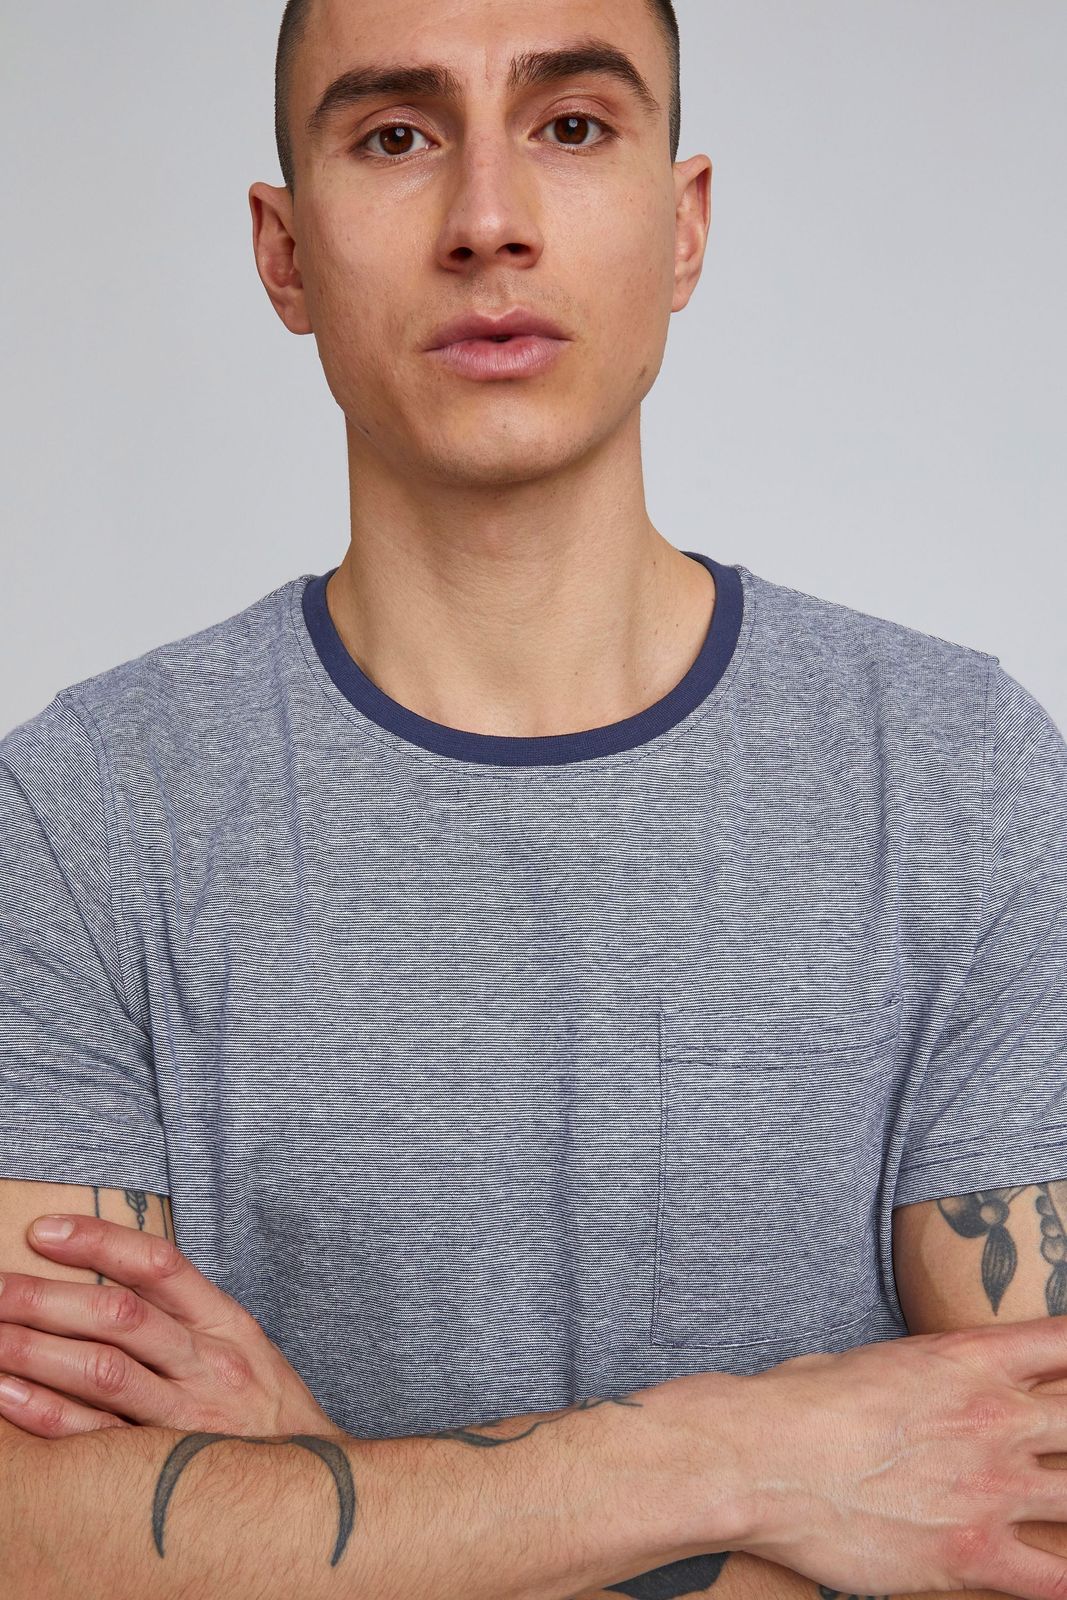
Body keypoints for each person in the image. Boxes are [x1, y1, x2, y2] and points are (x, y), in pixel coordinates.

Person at [2, 1, 1066, 1597]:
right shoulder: (80, 821)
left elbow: (1030, 1536)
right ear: (285, 255)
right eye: (396, 136)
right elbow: (41, 1544)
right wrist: (747, 1458)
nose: (488, 220)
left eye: (572, 126)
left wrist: (313, 1496)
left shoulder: (963, 778)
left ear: (683, 224)